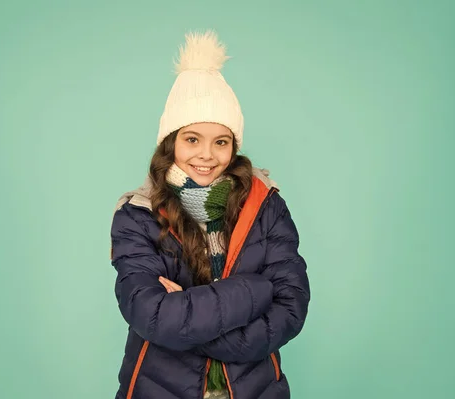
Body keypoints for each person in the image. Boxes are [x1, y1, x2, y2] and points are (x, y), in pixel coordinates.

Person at [110, 29, 311, 399]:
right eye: (192, 139)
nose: (206, 155)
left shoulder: (266, 206)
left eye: (221, 142)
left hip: (255, 389)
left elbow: (291, 306)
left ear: (234, 148)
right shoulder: (136, 214)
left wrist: (187, 313)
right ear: (171, 143)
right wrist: (254, 290)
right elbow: (151, 314)